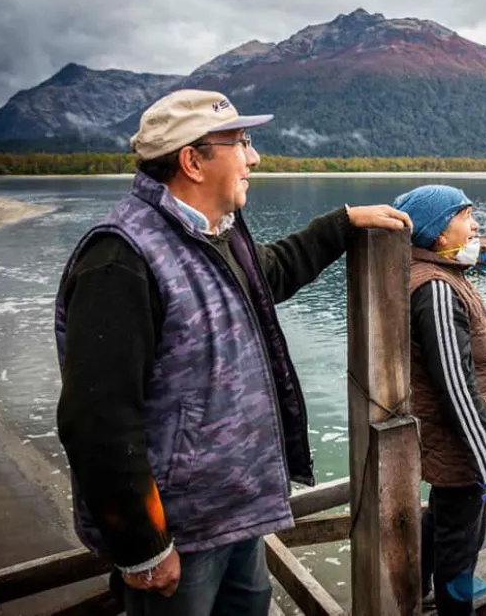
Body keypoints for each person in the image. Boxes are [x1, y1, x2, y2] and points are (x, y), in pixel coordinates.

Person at [54, 89, 412, 615]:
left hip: (238, 510)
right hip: (182, 531)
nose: (254, 157)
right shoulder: (119, 259)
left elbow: (273, 273)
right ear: (192, 161)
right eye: (241, 142)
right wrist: (144, 547)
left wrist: (342, 224)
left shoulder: (219, 233)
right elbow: (98, 422)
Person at [392, 185, 486, 616]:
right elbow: (457, 388)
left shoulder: (438, 276)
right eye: (465, 215)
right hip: (460, 445)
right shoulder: (437, 290)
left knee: (443, 521)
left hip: (455, 442)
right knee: (462, 545)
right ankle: (452, 601)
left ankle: (422, 589)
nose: (475, 224)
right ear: (440, 234)